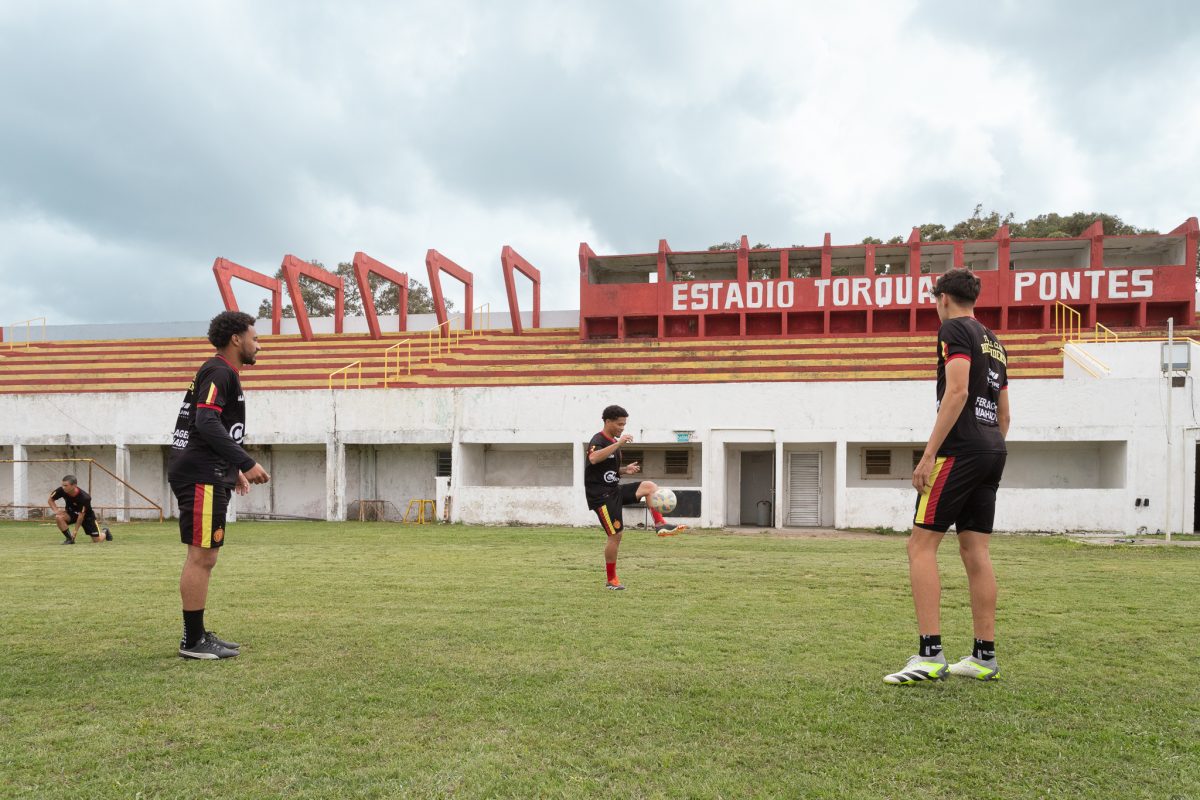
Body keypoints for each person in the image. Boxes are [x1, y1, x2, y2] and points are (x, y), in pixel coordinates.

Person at [884, 268, 1009, 684]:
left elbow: (956, 392)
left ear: (942, 298)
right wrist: (986, 448)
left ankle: (929, 654)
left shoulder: (953, 329)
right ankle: (983, 658)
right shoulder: (995, 341)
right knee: (976, 553)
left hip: (960, 451)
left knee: (920, 547)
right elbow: (1004, 414)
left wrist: (929, 455)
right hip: (993, 448)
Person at [168, 311, 270, 660]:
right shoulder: (219, 370)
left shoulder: (222, 372)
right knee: (202, 557)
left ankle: (196, 634)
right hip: (200, 474)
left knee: (204, 556)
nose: (259, 345)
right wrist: (245, 461)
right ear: (236, 339)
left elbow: (210, 426)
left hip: (209, 471)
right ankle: (193, 641)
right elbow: (206, 421)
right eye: (255, 338)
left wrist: (233, 470)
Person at [584, 404, 685, 591]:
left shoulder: (613, 444)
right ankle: (611, 580)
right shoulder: (598, 440)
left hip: (613, 490)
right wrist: (619, 443)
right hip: (601, 497)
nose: (622, 428)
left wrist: (624, 469)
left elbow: (606, 469)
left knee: (649, 487)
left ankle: (660, 524)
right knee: (616, 536)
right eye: (619, 424)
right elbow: (594, 459)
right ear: (608, 421)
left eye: (624, 424)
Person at [48, 475, 111, 544]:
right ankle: (70, 539)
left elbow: (81, 516)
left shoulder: (85, 497)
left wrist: (75, 532)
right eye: (62, 485)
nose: (63, 487)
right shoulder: (61, 490)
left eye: (66, 485)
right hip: (71, 513)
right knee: (59, 517)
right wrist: (56, 511)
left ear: (74, 485)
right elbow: (50, 499)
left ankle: (105, 531)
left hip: (86, 517)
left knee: (97, 540)